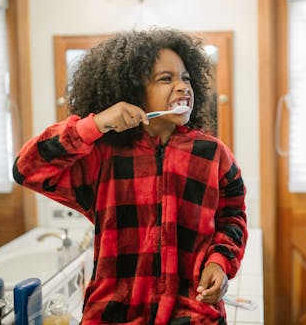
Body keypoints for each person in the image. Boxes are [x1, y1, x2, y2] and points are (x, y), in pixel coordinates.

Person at [13, 28, 248, 324]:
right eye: (166, 78)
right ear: (135, 91)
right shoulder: (102, 155)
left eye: (185, 78)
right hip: (114, 315)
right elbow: (27, 168)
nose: (181, 86)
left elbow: (233, 216)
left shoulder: (213, 154)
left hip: (192, 315)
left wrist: (219, 262)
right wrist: (95, 125)